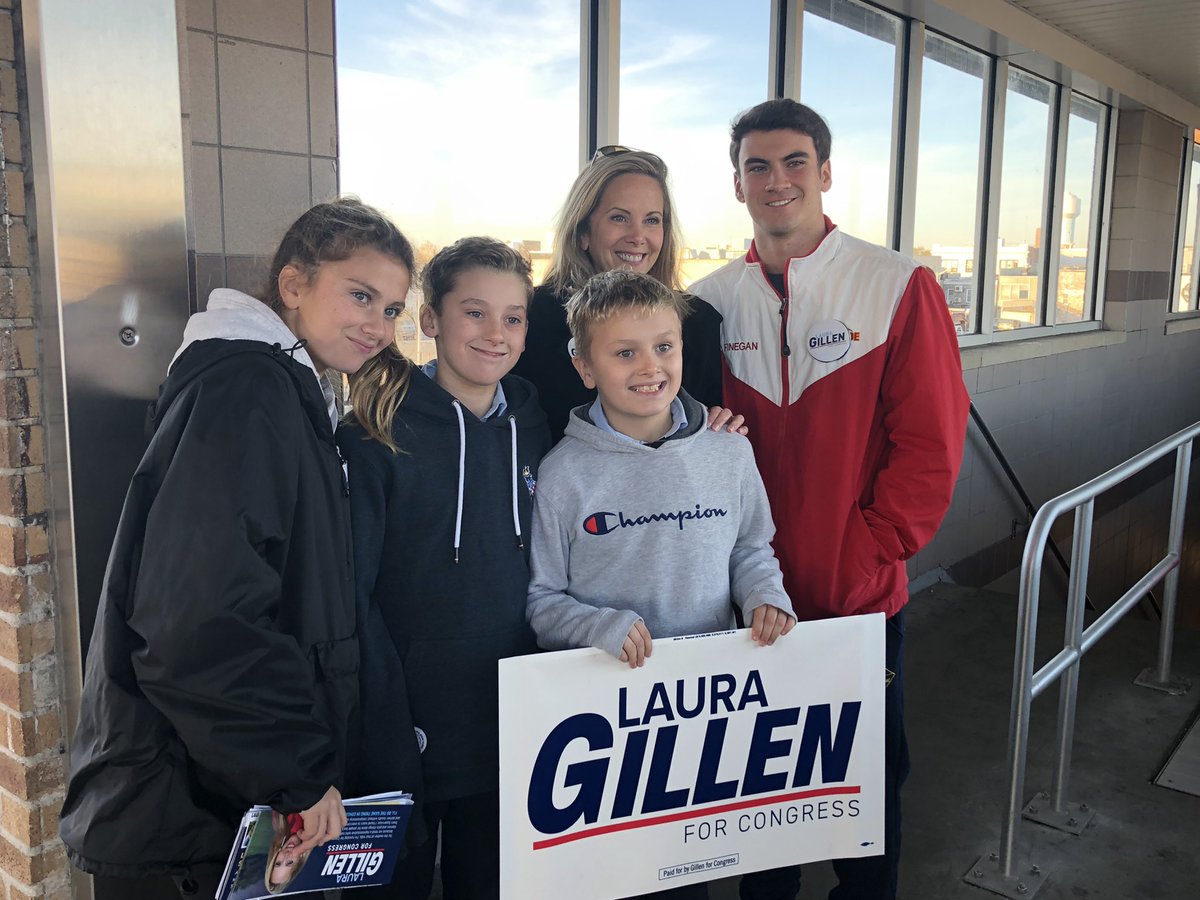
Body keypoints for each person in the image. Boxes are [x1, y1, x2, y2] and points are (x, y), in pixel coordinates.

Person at [58, 199, 414, 899]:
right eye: (361, 295)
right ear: (293, 285)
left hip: (235, 785)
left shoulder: (287, 389)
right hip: (216, 798)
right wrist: (297, 775)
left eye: (395, 309)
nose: (378, 325)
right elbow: (199, 620)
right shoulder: (249, 391)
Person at [690, 99, 970, 900]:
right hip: (745, 608)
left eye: (793, 163)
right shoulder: (707, 303)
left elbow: (930, 446)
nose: (776, 181)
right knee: (757, 811)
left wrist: (865, 551)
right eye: (757, 166)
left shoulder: (896, 283)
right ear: (737, 182)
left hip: (856, 605)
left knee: (862, 807)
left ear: (825, 172)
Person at [525, 271, 797, 899]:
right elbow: (542, 603)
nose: (650, 367)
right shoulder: (563, 475)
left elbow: (752, 549)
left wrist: (765, 597)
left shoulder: (728, 452)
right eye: (625, 352)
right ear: (584, 366)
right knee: (612, 879)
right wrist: (600, 627)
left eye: (664, 346)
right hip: (605, 723)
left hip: (705, 710)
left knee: (684, 881)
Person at [342, 237, 551, 900]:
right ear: (430, 321)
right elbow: (352, 594)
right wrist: (380, 719)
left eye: (513, 317)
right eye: (475, 313)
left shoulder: (533, 419)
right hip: (400, 719)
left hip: (507, 713)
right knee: (388, 888)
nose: (496, 334)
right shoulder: (376, 432)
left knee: (488, 884)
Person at [511, 147, 727, 442]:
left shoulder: (698, 322)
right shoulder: (531, 319)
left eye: (652, 220)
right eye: (619, 218)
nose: (638, 236)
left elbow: (708, 429)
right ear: (583, 232)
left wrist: (721, 424)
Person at [265, 811, 313, 894]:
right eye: (290, 862)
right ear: (299, 861)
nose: (286, 855)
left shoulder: (279, 824)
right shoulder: (316, 835)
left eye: (278, 863)